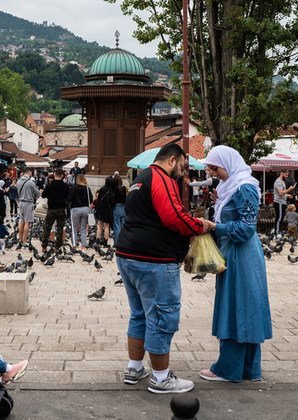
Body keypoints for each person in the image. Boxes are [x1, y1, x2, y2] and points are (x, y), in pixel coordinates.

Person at [115, 143, 207, 394]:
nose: (183, 172)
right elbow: (173, 217)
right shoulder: (161, 178)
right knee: (161, 317)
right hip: (153, 260)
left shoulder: (140, 179)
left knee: (140, 314)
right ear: (172, 160)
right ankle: (161, 378)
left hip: (128, 255)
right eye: (183, 165)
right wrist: (200, 226)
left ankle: (134, 368)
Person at [198, 145, 272, 383]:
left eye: (216, 167)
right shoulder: (231, 188)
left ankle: (229, 369)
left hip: (241, 255)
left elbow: (246, 229)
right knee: (245, 307)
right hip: (236, 253)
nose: (213, 172)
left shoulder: (244, 188)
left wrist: (214, 226)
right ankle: (248, 368)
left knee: (236, 308)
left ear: (228, 164)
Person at [41, 168, 69, 252]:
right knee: (60, 228)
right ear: (62, 175)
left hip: (51, 209)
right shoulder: (65, 186)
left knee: (47, 227)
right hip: (61, 209)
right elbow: (68, 197)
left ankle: (44, 246)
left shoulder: (49, 185)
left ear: (54, 174)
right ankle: (57, 246)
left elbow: (43, 195)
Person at [16, 168, 41, 246]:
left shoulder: (18, 181)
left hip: (21, 203)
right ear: (29, 172)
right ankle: (24, 240)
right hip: (28, 203)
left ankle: (20, 240)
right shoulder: (30, 182)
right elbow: (37, 194)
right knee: (27, 222)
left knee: (21, 221)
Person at [68, 174, 93, 250]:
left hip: (75, 209)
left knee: (74, 228)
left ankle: (74, 245)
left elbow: (69, 198)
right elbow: (91, 200)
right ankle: (83, 245)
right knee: (83, 228)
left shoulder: (73, 188)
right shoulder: (87, 188)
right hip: (85, 209)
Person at [273, 169, 295, 236]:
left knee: (281, 217)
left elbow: (282, 193)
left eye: (287, 175)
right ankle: (277, 232)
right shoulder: (278, 181)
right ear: (282, 173)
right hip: (279, 202)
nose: (287, 176)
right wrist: (290, 189)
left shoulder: (282, 181)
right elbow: (280, 193)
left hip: (282, 202)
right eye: (286, 175)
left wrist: (287, 195)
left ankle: (279, 231)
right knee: (279, 217)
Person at [94, 177, 116, 246]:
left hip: (101, 208)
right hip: (108, 210)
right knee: (107, 226)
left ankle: (97, 240)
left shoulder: (102, 189)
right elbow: (113, 202)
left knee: (100, 225)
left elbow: (99, 199)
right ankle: (105, 242)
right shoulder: (111, 191)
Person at [112, 173, 128, 244]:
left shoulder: (114, 189)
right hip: (123, 207)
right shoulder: (124, 188)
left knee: (116, 224)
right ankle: (123, 241)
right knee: (123, 224)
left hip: (116, 206)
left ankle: (117, 242)